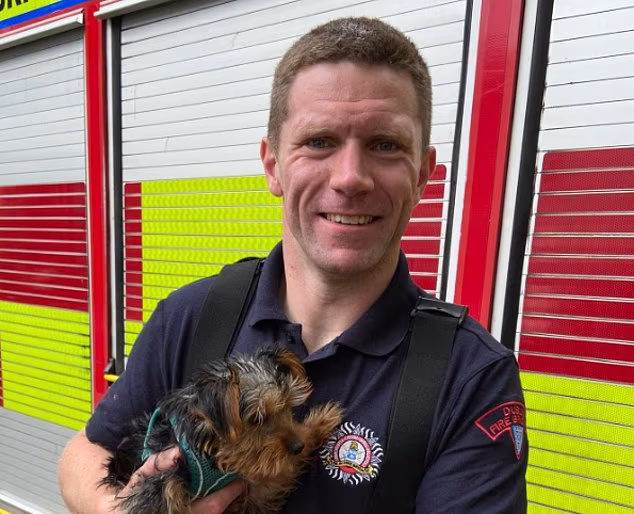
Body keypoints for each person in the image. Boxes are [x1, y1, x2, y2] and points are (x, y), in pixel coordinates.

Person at [58, 16, 528, 513]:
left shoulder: (471, 375)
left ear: (423, 174)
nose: (351, 179)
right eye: (320, 141)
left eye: (385, 145)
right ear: (273, 165)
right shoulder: (192, 314)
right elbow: (86, 453)